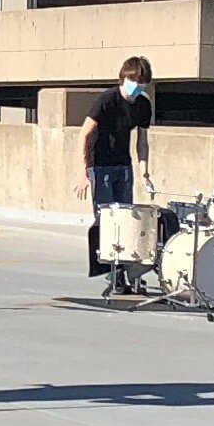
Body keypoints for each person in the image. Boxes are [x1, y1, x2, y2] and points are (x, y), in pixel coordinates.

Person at [80, 57, 155, 286]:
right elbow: (84, 133)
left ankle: (122, 269)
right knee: (106, 218)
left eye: (142, 82)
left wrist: (144, 172)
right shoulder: (107, 99)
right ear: (123, 78)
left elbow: (142, 141)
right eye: (133, 80)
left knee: (125, 218)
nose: (138, 86)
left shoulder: (143, 104)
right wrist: (83, 172)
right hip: (100, 164)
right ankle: (111, 270)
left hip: (123, 166)